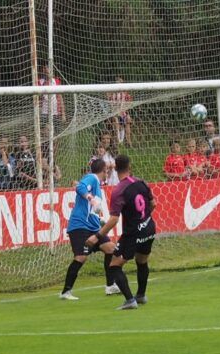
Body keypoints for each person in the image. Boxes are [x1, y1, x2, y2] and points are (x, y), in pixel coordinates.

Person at [87, 155, 156, 310]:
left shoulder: (119, 190)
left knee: (114, 266)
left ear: (115, 169)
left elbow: (113, 220)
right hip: (149, 227)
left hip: (133, 233)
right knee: (142, 261)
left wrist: (97, 236)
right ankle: (141, 295)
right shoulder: (141, 182)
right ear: (130, 166)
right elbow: (153, 203)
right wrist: (143, 219)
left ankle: (130, 300)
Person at [60, 159, 119, 300]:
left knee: (110, 248)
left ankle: (110, 286)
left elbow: (91, 210)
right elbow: (80, 187)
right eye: (107, 170)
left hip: (93, 227)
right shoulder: (92, 178)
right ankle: (65, 292)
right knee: (81, 257)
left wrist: (100, 221)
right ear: (103, 170)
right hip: (80, 225)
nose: (108, 173)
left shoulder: (97, 185)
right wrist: (90, 198)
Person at [108, 76, 132, 147]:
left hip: (123, 114)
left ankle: (128, 141)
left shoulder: (126, 95)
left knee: (128, 119)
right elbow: (111, 106)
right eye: (118, 83)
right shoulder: (112, 95)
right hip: (115, 114)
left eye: (121, 83)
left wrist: (127, 114)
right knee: (116, 120)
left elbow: (128, 106)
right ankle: (118, 141)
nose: (119, 84)